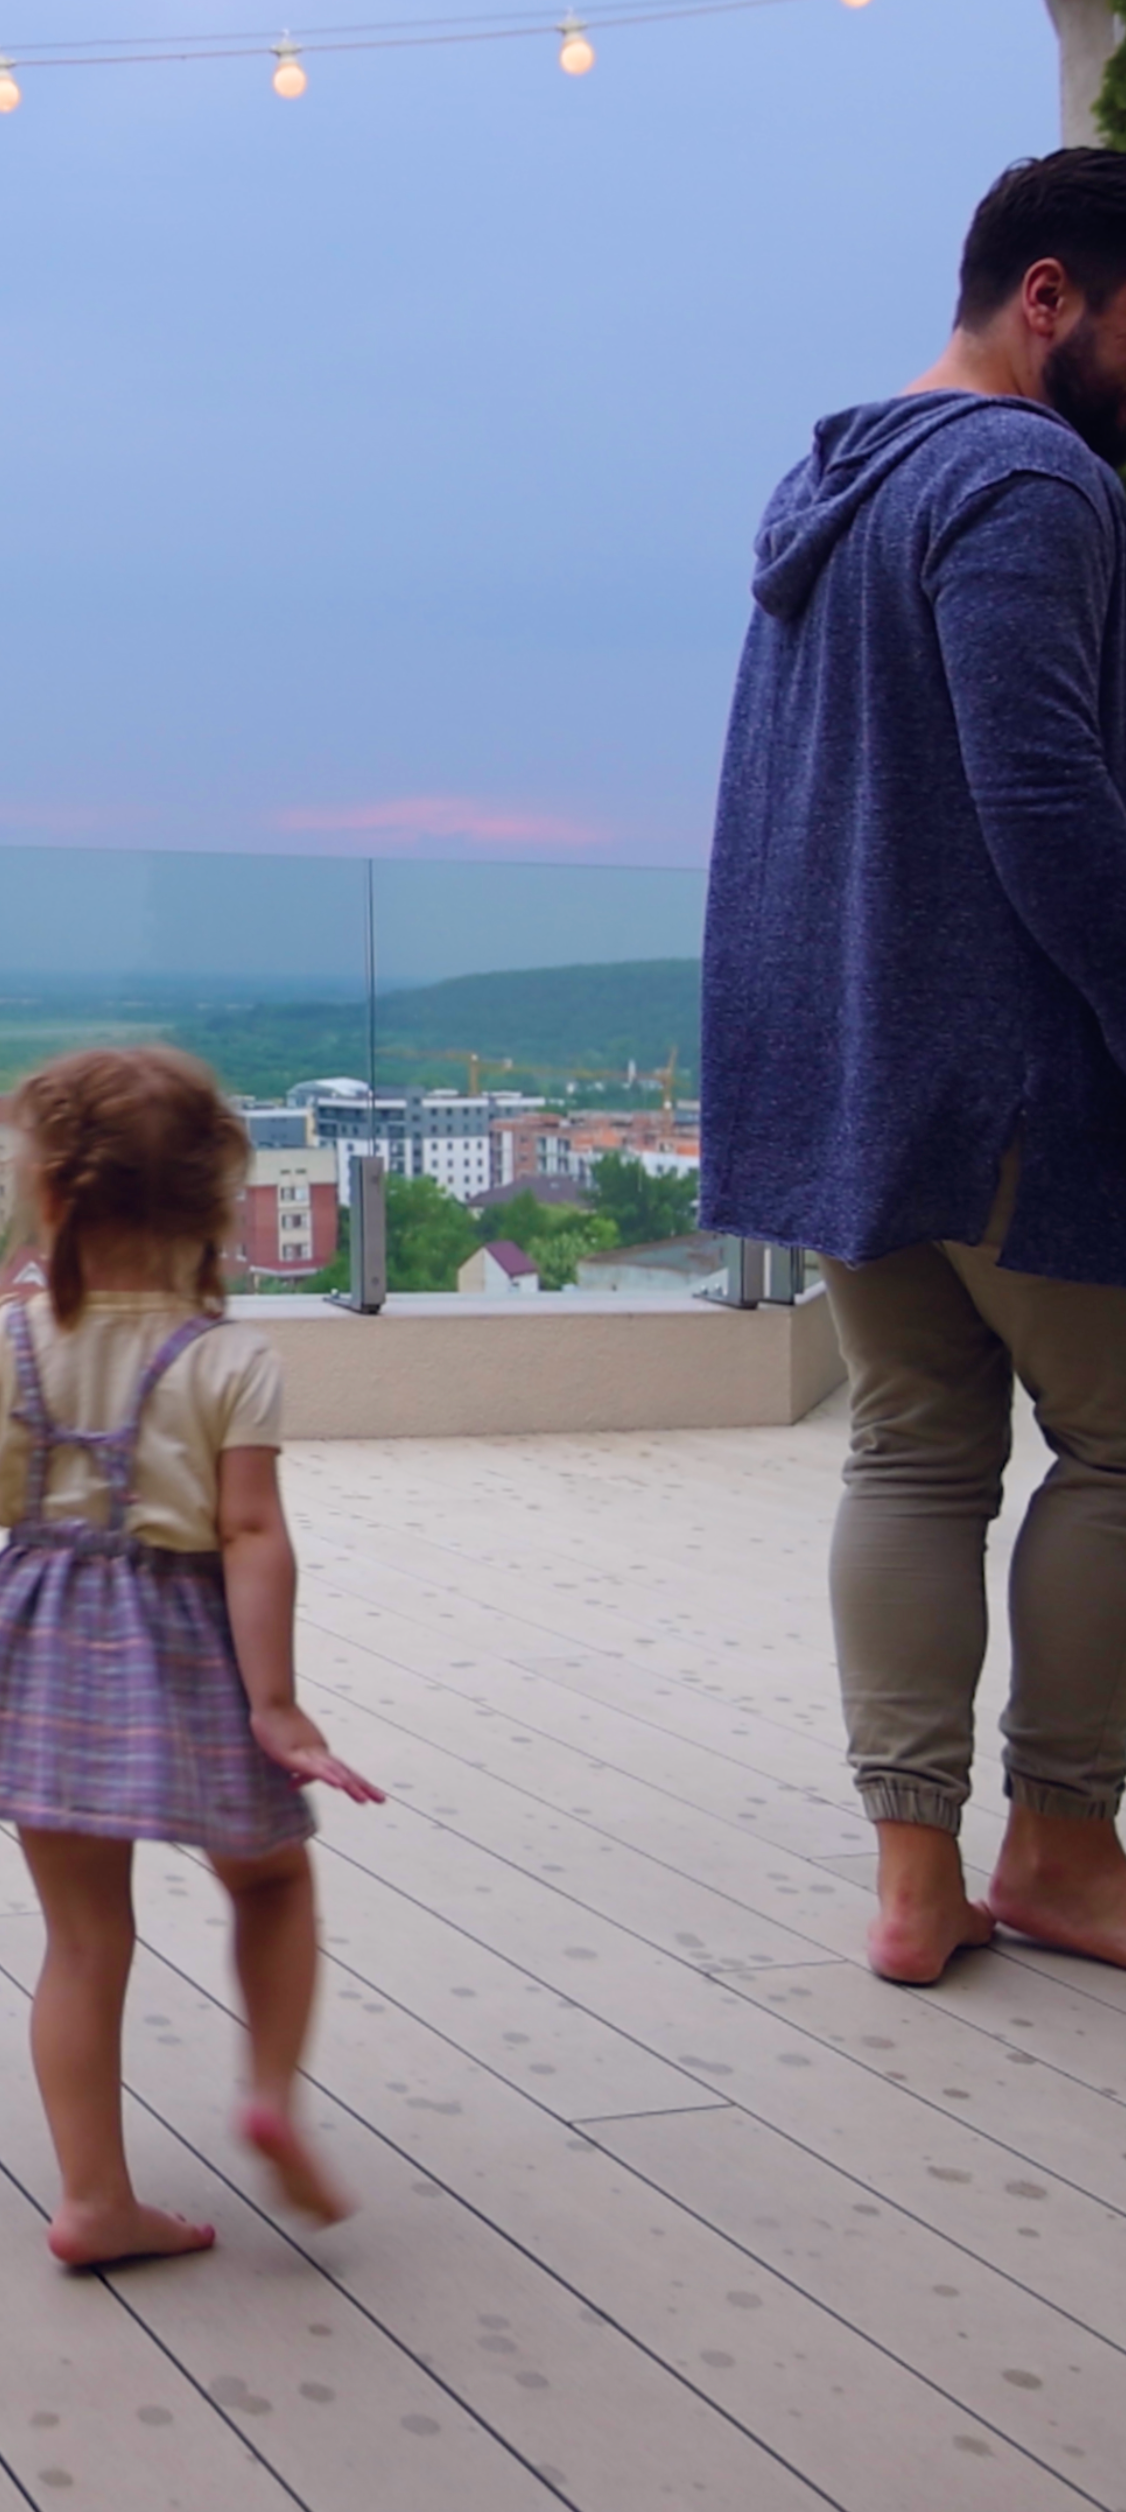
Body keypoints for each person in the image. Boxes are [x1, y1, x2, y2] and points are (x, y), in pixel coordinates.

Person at [704, 150, 1126, 1989]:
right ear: (1047, 297)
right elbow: (1044, 799)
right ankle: (1061, 1849)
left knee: (912, 1447)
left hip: (839, 1070)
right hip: (1011, 1074)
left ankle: (908, 1882)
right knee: (1117, 1444)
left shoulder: (830, 483)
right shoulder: (1027, 477)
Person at [0, 1046, 382, 2268]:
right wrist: (275, 1704)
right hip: (188, 1646)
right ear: (212, 1206)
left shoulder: (3, 1341)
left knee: (84, 1936)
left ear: (50, 1195)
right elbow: (252, 1534)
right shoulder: (228, 1359)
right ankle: (270, 2091)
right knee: (268, 1881)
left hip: (42, 1636)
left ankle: (94, 2196)